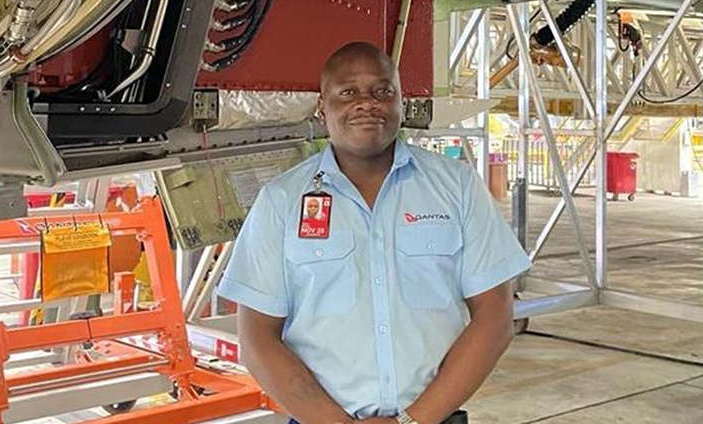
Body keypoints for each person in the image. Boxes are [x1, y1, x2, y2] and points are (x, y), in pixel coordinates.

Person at [219, 41, 531, 424]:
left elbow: (496, 316)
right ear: (322, 107)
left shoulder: (458, 186)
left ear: (401, 101)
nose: (367, 103)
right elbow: (256, 339)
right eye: (348, 92)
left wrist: (413, 421)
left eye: (383, 91)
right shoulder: (281, 200)